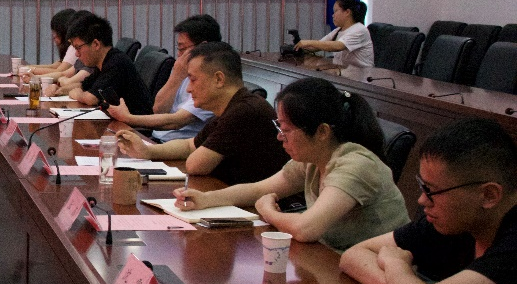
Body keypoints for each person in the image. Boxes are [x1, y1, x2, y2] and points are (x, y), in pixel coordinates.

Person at [340, 119, 517, 284]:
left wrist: (396, 265)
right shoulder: (452, 221)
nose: (422, 200)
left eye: (432, 191)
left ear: (488, 195)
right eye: (422, 186)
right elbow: (353, 255)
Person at [174, 78, 408, 250]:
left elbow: (307, 229)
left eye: (286, 129)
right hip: (334, 260)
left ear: (322, 132)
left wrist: (267, 211)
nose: (279, 137)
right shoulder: (313, 159)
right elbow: (259, 189)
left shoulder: (356, 165)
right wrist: (206, 199)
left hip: (379, 271)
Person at [117, 42, 288, 185]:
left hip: (265, 207)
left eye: (193, 80)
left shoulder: (244, 111)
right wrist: (148, 152)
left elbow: (195, 165)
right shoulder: (232, 106)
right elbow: (189, 145)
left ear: (219, 79)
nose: (189, 89)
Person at [107, 14, 220, 142]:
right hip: (157, 139)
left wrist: (128, 118)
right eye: (178, 48)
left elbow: (177, 121)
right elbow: (158, 110)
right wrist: (176, 76)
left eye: (182, 49)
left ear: (202, 48)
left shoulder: (211, 80)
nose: (179, 54)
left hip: (177, 146)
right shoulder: (183, 70)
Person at [65, 13, 151, 114]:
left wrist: (78, 95)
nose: (76, 54)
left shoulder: (117, 63)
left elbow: (91, 98)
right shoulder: (102, 62)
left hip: (134, 122)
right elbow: (83, 85)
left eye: (78, 48)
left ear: (96, 44)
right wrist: (58, 90)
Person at [294, 0, 374, 69]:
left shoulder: (359, 29)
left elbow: (338, 46)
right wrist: (297, 48)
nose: (333, 15)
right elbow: (319, 45)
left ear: (347, 12)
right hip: (343, 71)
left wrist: (308, 42)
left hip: (360, 74)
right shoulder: (338, 30)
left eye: (335, 11)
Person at [22, 9, 78, 79]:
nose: (54, 36)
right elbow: (54, 66)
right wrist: (28, 67)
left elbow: (59, 71)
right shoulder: (71, 47)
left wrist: (31, 70)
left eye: (56, 32)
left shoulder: (74, 48)